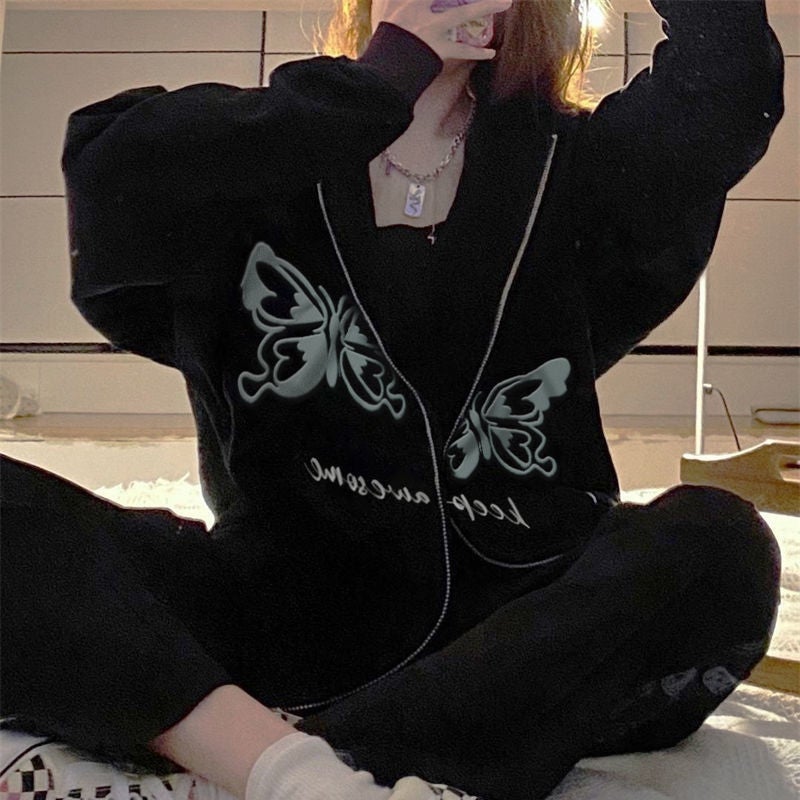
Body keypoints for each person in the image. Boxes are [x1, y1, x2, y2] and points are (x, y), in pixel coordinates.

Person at [0, 1, 785, 799]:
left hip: (527, 620)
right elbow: (110, 178)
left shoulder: (579, 169)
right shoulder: (265, 145)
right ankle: (284, 766)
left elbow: (725, 88)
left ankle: (299, 766)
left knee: (718, 544)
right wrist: (381, 81)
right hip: (276, 607)